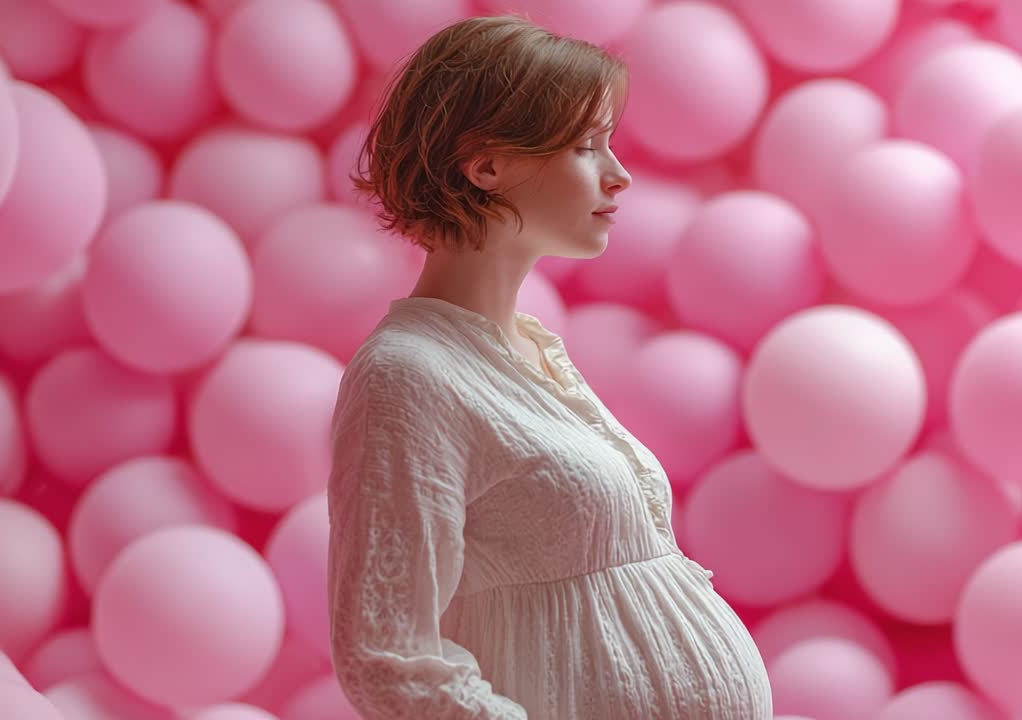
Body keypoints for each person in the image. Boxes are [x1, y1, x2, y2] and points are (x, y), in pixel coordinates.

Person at [326, 13, 775, 720]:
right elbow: (387, 657)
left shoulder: (531, 350)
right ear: (486, 164)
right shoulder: (409, 376)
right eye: (587, 145)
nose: (620, 175)